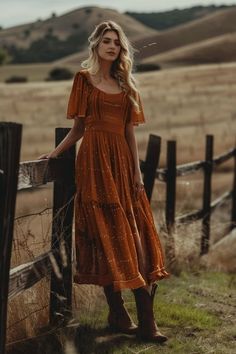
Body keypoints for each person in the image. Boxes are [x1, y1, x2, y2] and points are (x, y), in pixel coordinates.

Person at [39, 20, 170, 343]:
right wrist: (54, 154)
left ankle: (146, 320)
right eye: (107, 41)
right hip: (94, 163)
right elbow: (79, 129)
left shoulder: (127, 85)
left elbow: (129, 132)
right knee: (104, 234)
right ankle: (119, 312)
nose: (113, 46)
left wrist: (137, 173)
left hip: (122, 163)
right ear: (96, 45)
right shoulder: (83, 80)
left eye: (117, 42)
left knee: (134, 235)